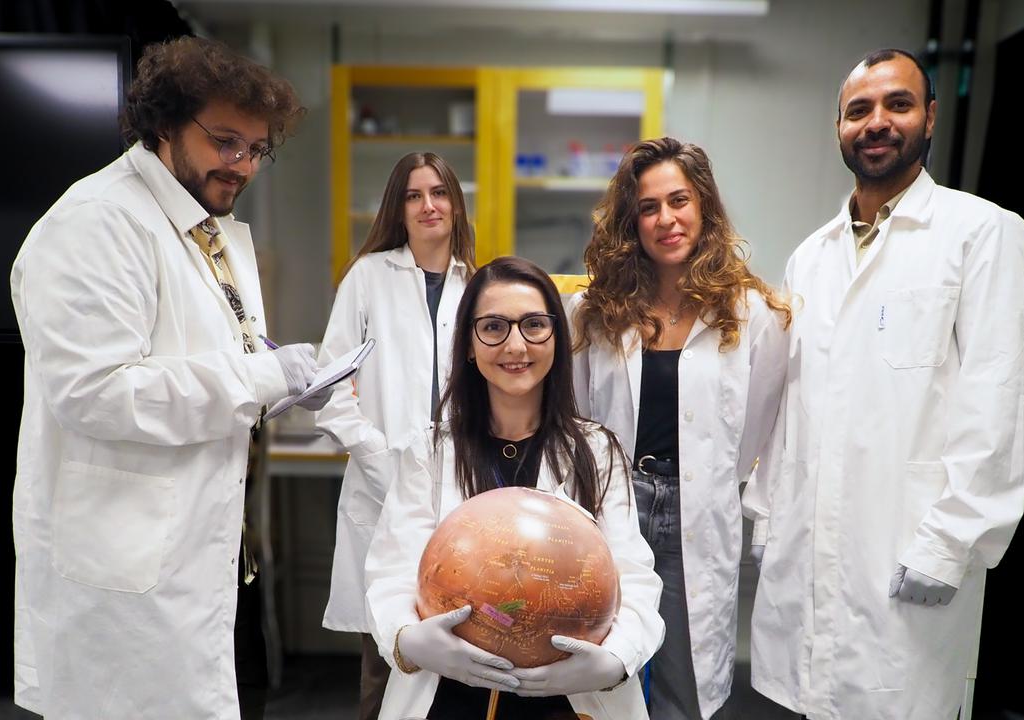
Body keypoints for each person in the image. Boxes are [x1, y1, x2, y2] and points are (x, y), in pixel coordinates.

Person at [10, 36, 327, 719]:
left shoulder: (206, 227)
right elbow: (96, 394)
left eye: (256, 149)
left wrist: (283, 374)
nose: (241, 164)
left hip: (203, 554)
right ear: (162, 124)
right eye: (223, 141)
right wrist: (264, 377)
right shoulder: (97, 225)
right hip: (126, 580)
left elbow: (208, 351)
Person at [742, 48, 1024, 720]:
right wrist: (768, 524)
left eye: (898, 105)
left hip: (910, 549)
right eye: (859, 110)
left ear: (930, 117)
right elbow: (789, 408)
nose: (876, 122)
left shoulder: (984, 234)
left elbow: (1005, 399)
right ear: (840, 128)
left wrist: (951, 541)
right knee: (809, 700)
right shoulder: (811, 255)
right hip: (810, 547)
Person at [365, 256, 664, 719]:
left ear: (556, 339)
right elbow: (391, 573)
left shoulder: (597, 451)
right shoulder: (429, 452)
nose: (516, 345)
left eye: (534, 325)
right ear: (468, 343)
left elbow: (636, 578)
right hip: (450, 695)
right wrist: (409, 639)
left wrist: (613, 661)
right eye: (493, 327)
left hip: (568, 698)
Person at [570, 136, 791, 718]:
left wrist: (704, 478)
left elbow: (756, 431)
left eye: (680, 200)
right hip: (613, 507)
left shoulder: (752, 315)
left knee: (684, 685)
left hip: (698, 514)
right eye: (648, 207)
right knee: (600, 674)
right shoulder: (597, 314)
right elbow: (575, 418)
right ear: (631, 221)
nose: (666, 219)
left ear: (705, 208)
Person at [315, 151, 475, 719]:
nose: (428, 205)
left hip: (462, 494)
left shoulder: (476, 285)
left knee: (462, 659)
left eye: (438, 193)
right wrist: (375, 452)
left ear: (456, 204)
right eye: (413, 195)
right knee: (386, 662)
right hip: (381, 491)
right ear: (398, 209)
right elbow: (330, 385)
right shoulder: (368, 278)